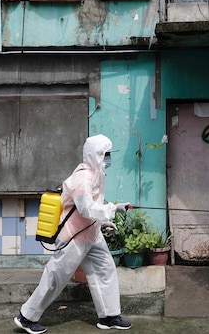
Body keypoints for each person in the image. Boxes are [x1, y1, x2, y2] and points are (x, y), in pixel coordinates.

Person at [15, 134, 132, 333]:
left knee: (105, 270)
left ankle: (109, 316)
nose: (109, 158)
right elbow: (85, 208)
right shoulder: (82, 177)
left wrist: (104, 221)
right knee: (55, 278)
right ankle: (27, 317)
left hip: (91, 234)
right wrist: (112, 209)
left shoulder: (97, 173)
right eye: (106, 154)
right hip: (74, 237)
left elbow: (92, 208)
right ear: (96, 155)